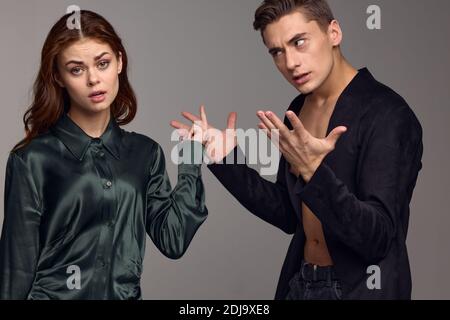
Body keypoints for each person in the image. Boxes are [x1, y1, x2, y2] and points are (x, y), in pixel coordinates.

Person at [171, 0, 423, 300]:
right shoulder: (298, 109)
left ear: (334, 33)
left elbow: (377, 238)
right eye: (277, 51)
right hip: (302, 282)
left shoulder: (388, 114)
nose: (290, 62)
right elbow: (289, 215)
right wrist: (226, 160)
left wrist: (314, 173)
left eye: (299, 42)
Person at [0, 10, 208, 300]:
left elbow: (172, 239)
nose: (93, 79)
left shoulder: (145, 153)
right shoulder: (32, 159)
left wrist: (191, 160)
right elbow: (16, 270)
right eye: (76, 69)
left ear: (119, 62)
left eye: (102, 63)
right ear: (59, 77)